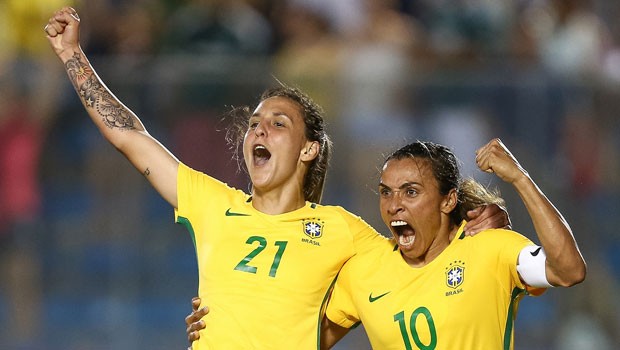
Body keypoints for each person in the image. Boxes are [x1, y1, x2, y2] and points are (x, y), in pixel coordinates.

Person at [44, 7, 509, 349]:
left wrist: (474, 219)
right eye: (254, 124)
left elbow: (417, 255)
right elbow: (131, 137)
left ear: (308, 149)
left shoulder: (342, 231)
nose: (258, 130)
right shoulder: (212, 203)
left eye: (277, 123)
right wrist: (73, 56)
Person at [187, 139, 587, 350]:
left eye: (411, 192)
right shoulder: (365, 271)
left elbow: (569, 270)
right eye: (386, 192)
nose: (394, 205)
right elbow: (298, 340)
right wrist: (219, 328)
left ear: (448, 200)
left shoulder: (490, 248)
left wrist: (520, 180)